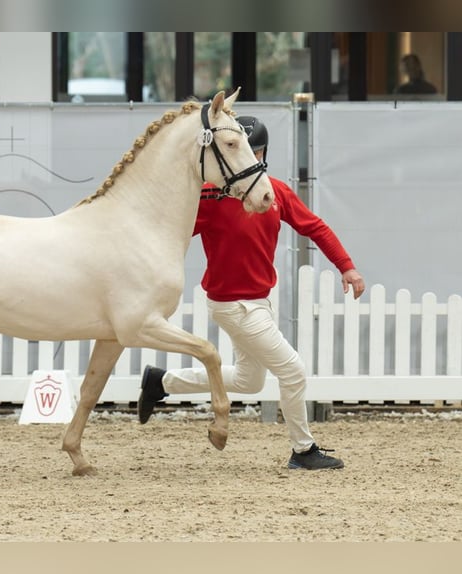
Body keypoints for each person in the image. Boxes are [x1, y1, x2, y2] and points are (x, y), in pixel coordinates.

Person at [137, 115, 366, 471]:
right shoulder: (209, 199)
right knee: (292, 371)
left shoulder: (275, 191)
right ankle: (303, 450)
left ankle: (161, 382)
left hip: (259, 301)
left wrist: (346, 265)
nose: (249, 160)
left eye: (254, 152)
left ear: (261, 154)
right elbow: (171, 234)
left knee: (249, 380)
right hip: (233, 305)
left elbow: (315, 227)